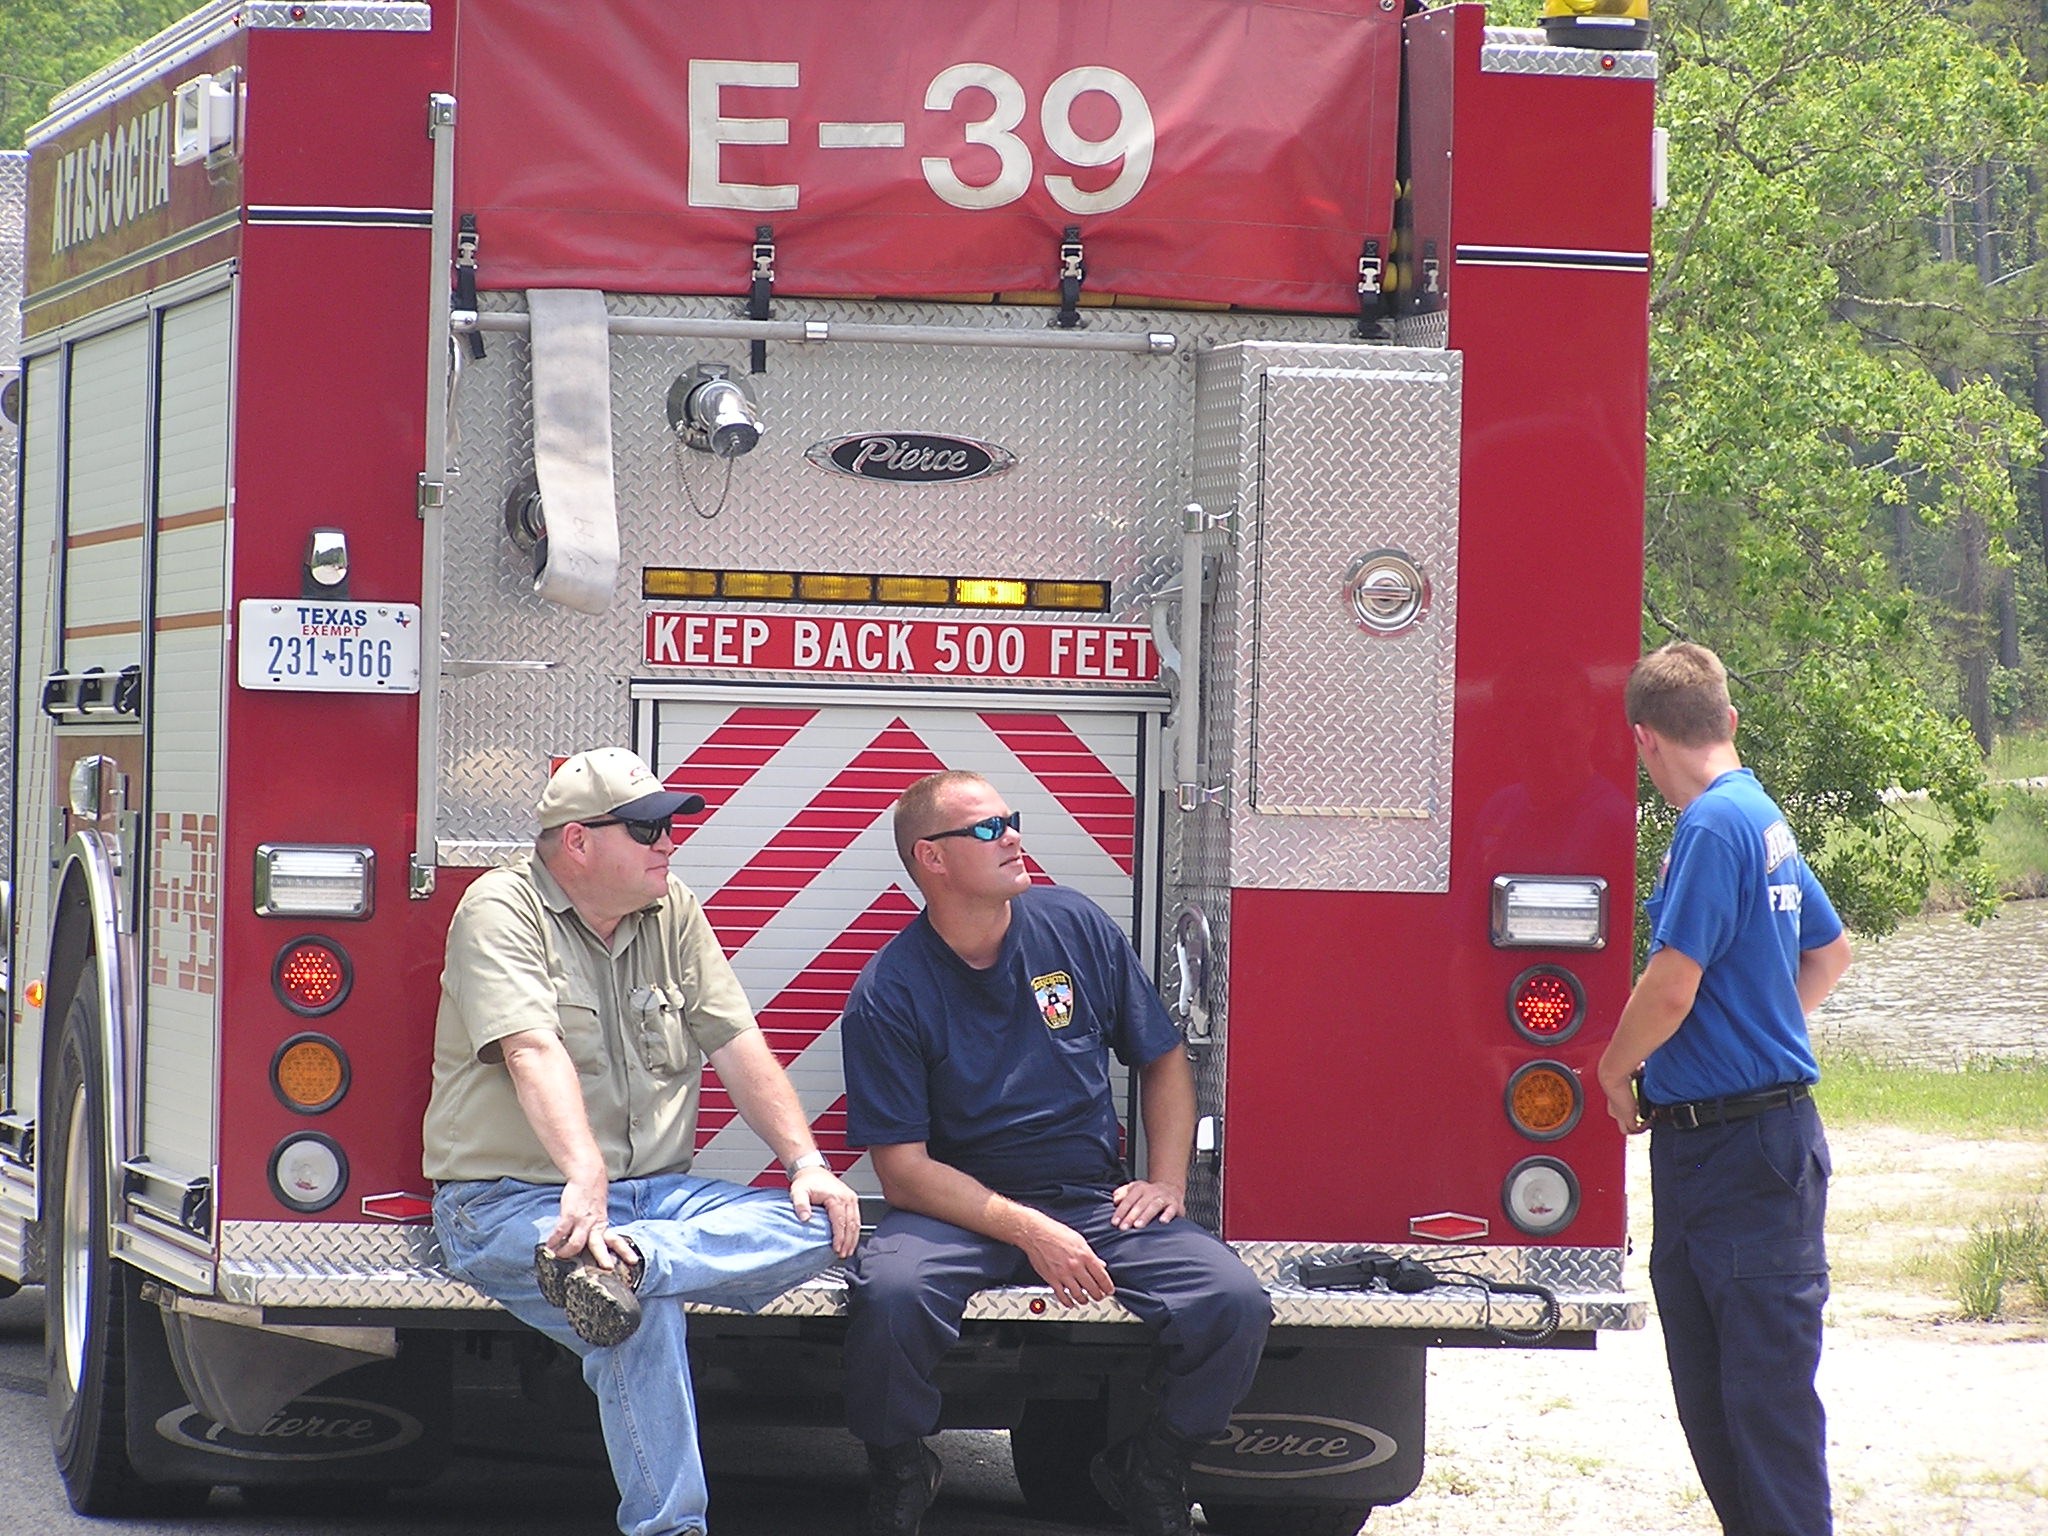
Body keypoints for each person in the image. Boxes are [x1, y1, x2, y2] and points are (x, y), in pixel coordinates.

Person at [424, 747, 860, 1536]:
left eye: (670, 826)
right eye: (648, 828)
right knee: (633, 1315)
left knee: (824, 1223)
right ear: (578, 842)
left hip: (657, 1202)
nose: (669, 842)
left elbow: (735, 1042)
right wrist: (585, 1178)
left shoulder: (673, 907)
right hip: (507, 1203)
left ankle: (640, 1260)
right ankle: (672, 1527)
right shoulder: (500, 907)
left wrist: (807, 1164)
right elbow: (532, 1049)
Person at [838, 771, 1271, 1536]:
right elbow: (902, 1173)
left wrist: (1166, 1180)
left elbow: (1162, 1057)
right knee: (890, 1298)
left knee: (1233, 1301)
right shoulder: (889, 990)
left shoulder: (1073, 924)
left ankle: (1153, 1467)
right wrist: (1031, 1231)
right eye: (986, 829)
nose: (1012, 836)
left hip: (1089, 1200)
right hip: (958, 1213)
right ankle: (901, 1468)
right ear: (932, 859)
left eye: (1011, 818)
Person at [1596, 644, 1854, 1536]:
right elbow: (1829, 953)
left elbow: (1672, 984)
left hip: (1742, 1152)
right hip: (1730, 1145)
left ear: (1643, 740)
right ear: (1729, 720)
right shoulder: (1760, 816)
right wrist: (1758, 1029)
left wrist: (1614, 1068)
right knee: (1719, 1405)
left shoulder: (1711, 826)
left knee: (1764, 1413)